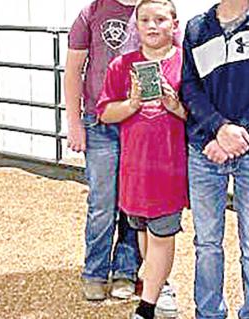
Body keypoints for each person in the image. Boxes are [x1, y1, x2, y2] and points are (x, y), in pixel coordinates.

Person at [181, 0, 249, 318]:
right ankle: (209, 312)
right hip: (206, 148)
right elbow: (190, 87)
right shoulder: (197, 28)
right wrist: (218, 128)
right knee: (206, 243)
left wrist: (237, 135)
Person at [96, 0, 187, 318]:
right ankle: (159, 285)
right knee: (144, 232)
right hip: (134, 169)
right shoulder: (122, 65)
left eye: (160, 19)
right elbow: (106, 112)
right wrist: (133, 102)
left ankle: (147, 306)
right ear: (135, 26)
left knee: (163, 232)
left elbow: (199, 116)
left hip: (170, 167)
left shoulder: (186, 64)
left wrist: (173, 104)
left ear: (174, 25)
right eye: (144, 19)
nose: (152, 25)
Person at [64, 0, 141, 302]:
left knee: (134, 201)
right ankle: (95, 271)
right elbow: (73, 71)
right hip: (99, 123)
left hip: (139, 123)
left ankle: (126, 270)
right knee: (102, 203)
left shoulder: (152, 9)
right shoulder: (91, 12)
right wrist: (74, 122)